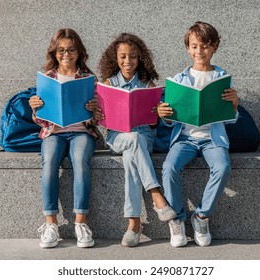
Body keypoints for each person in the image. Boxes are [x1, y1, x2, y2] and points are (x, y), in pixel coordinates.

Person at [157, 22, 239, 247]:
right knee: (169, 167)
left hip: (212, 138)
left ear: (214, 47)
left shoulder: (222, 78)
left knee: (222, 167)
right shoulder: (179, 79)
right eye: (194, 46)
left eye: (204, 46)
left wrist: (234, 104)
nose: (199, 51)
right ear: (187, 48)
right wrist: (164, 114)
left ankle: (201, 216)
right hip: (184, 138)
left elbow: (230, 118)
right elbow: (170, 118)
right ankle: (178, 219)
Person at [96, 33, 176, 247]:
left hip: (143, 138)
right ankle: (156, 193)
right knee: (131, 139)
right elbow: (102, 121)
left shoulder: (148, 85)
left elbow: (153, 125)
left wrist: (159, 113)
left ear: (140, 58)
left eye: (132, 57)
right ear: (116, 58)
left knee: (133, 149)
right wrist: (98, 114)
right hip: (116, 137)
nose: (127, 61)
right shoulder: (108, 83)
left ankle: (134, 223)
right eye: (123, 57)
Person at [29, 28, 100, 249]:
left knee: (80, 161)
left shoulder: (88, 79)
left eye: (71, 50)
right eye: (61, 50)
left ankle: (81, 222)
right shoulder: (47, 78)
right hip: (54, 133)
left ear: (79, 52)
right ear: (54, 52)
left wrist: (94, 111)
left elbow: (97, 119)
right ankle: (50, 223)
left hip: (81, 132)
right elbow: (39, 119)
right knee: (49, 162)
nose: (66, 54)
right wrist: (35, 108)